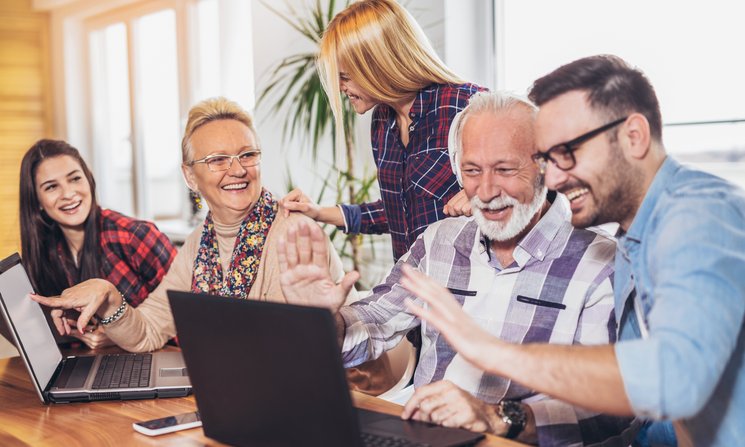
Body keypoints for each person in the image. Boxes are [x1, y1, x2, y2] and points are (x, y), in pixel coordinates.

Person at [402, 55, 745, 447]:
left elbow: (675, 379)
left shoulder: (699, 214)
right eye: (547, 158)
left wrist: (493, 353)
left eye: (569, 152)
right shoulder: (635, 241)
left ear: (634, 136)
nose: (555, 176)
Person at [278, 91, 637, 445]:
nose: (486, 190)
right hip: (429, 439)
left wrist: (498, 418)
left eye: (505, 169)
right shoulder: (439, 241)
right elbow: (377, 319)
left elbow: (608, 410)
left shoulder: (600, 264)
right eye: (472, 170)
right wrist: (324, 320)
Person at [32, 97, 394, 395]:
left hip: (327, 399)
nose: (237, 170)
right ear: (190, 175)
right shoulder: (197, 246)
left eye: (247, 155)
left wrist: (321, 320)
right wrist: (108, 295)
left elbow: (316, 355)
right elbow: (147, 332)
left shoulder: (295, 231)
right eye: (217, 160)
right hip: (247, 394)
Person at [280, 0, 485, 262]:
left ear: (377, 65)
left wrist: (479, 195)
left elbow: (535, 177)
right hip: (411, 287)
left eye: (344, 76)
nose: (340, 87)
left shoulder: (466, 105)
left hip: (466, 290)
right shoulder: (382, 123)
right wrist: (318, 211)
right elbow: (399, 212)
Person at [17, 139, 177, 349]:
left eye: (75, 179)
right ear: (36, 200)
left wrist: (121, 334)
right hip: (95, 365)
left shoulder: (135, 236)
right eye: (51, 187)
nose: (68, 193)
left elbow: (187, 315)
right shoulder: (45, 252)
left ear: (89, 181)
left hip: (158, 358)